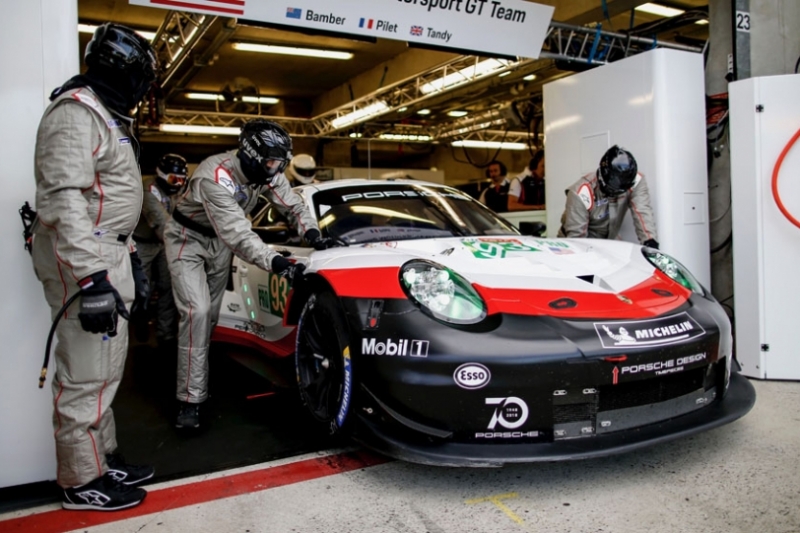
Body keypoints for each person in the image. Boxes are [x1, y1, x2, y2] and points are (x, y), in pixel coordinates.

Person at [31, 23, 157, 511]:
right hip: (86, 260)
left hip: (107, 254)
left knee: (103, 370)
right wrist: (91, 278)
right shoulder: (75, 113)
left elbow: (103, 202)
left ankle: (102, 458)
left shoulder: (103, 114)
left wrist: (128, 265)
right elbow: (62, 201)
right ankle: (81, 481)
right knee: (85, 374)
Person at [163, 119, 333, 430]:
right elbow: (239, 235)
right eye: (271, 162)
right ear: (252, 156)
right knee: (197, 312)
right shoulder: (214, 177)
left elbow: (292, 205)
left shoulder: (267, 172)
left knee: (209, 316)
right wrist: (277, 263)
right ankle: (189, 401)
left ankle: (195, 368)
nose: (276, 169)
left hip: (219, 244)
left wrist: (312, 232)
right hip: (187, 240)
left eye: (280, 163)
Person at [131, 154, 188, 346]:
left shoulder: (180, 192)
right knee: (142, 288)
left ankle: (166, 334)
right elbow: (161, 223)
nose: (178, 183)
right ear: (162, 175)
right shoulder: (148, 191)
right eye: (174, 179)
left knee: (168, 286)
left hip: (165, 243)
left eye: (182, 179)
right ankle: (140, 323)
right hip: (143, 243)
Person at [557, 145, 659, 248]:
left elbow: (642, 211)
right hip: (577, 242)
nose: (616, 194)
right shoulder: (580, 193)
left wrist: (650, 242)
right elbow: (577, 240)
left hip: (607, 242)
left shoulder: (635, 181)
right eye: (613, 190)